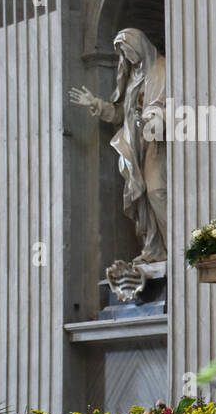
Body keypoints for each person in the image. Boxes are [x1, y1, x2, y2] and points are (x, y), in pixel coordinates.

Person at [70, 28, 168, 263]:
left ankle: (176, 247)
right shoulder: (134, 75)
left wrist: (155, 117)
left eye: (128, 50)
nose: (127, 56)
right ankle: (154, 249)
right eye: (123, 53)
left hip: (158, 143)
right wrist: (98, 105)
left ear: (140, 45)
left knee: (156, 191)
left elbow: (170, 107)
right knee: (141, 197)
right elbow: (121, 113)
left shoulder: (161, 69)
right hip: (136, 145)